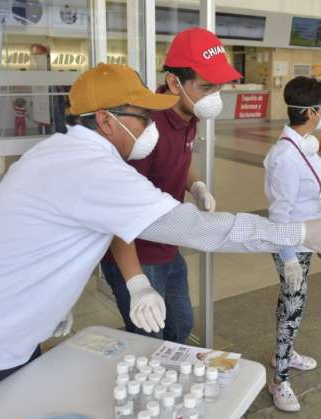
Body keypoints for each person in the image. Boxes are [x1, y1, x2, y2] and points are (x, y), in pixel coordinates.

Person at [0, 63, 321, 419]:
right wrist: (297, 232)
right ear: (105, 119)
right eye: (142, 115)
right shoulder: (90, 169)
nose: (152, 124)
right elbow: (198, 230)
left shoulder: (60, 153)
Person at [99, 28, 241, 344]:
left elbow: (177, 158)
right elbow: (117, 212)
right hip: (136, 251)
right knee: (150, 339)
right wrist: (137, 283)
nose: (214, 97)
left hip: (167, 243)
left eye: (218, 87)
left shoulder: (188, 114)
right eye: (206, 87)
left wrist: (196, 185)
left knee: (179, 326)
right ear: (175, 83)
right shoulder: (145, 128)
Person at [263, 76, 321, 412]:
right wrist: (288, 259)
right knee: (293, 307)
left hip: (305, 241)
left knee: (292, 303)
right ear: (310, 111)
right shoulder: (286, 157)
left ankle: (284, 354)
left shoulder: (302, 146)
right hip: (291, 244)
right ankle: (279, 380)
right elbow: (279, 214)